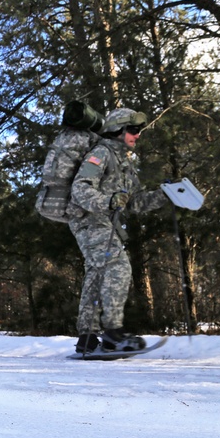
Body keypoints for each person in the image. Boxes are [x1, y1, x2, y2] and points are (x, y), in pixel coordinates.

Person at [69, 108, 168, 353]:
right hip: (89, 219)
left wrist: (165, 195)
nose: (138, 135)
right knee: (118, 265)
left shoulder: (125, 163)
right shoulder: (101, 153)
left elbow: (135, 203)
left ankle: (87, 339)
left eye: (139, 131)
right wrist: (108, 201)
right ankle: (113, 333)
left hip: (103, 221)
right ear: (118, 130)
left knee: (97, 273)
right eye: (133, 130)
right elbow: (80, 189)